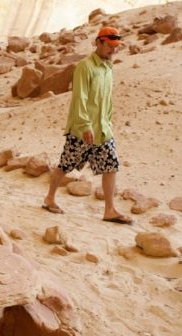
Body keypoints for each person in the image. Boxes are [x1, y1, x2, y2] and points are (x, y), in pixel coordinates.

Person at [42, 27, 133, 225]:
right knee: (66, 165)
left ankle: (109, 210)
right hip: (82, 130)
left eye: (115, 46)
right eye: (109, 46)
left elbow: (107, 99)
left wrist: (108, 123)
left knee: (111, 165)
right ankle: (49, 198)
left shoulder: (108, 67)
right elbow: (79, 98)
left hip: (102, 129)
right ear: (98, 43)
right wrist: (84, 125)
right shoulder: (84, 66)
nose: (112, 50)